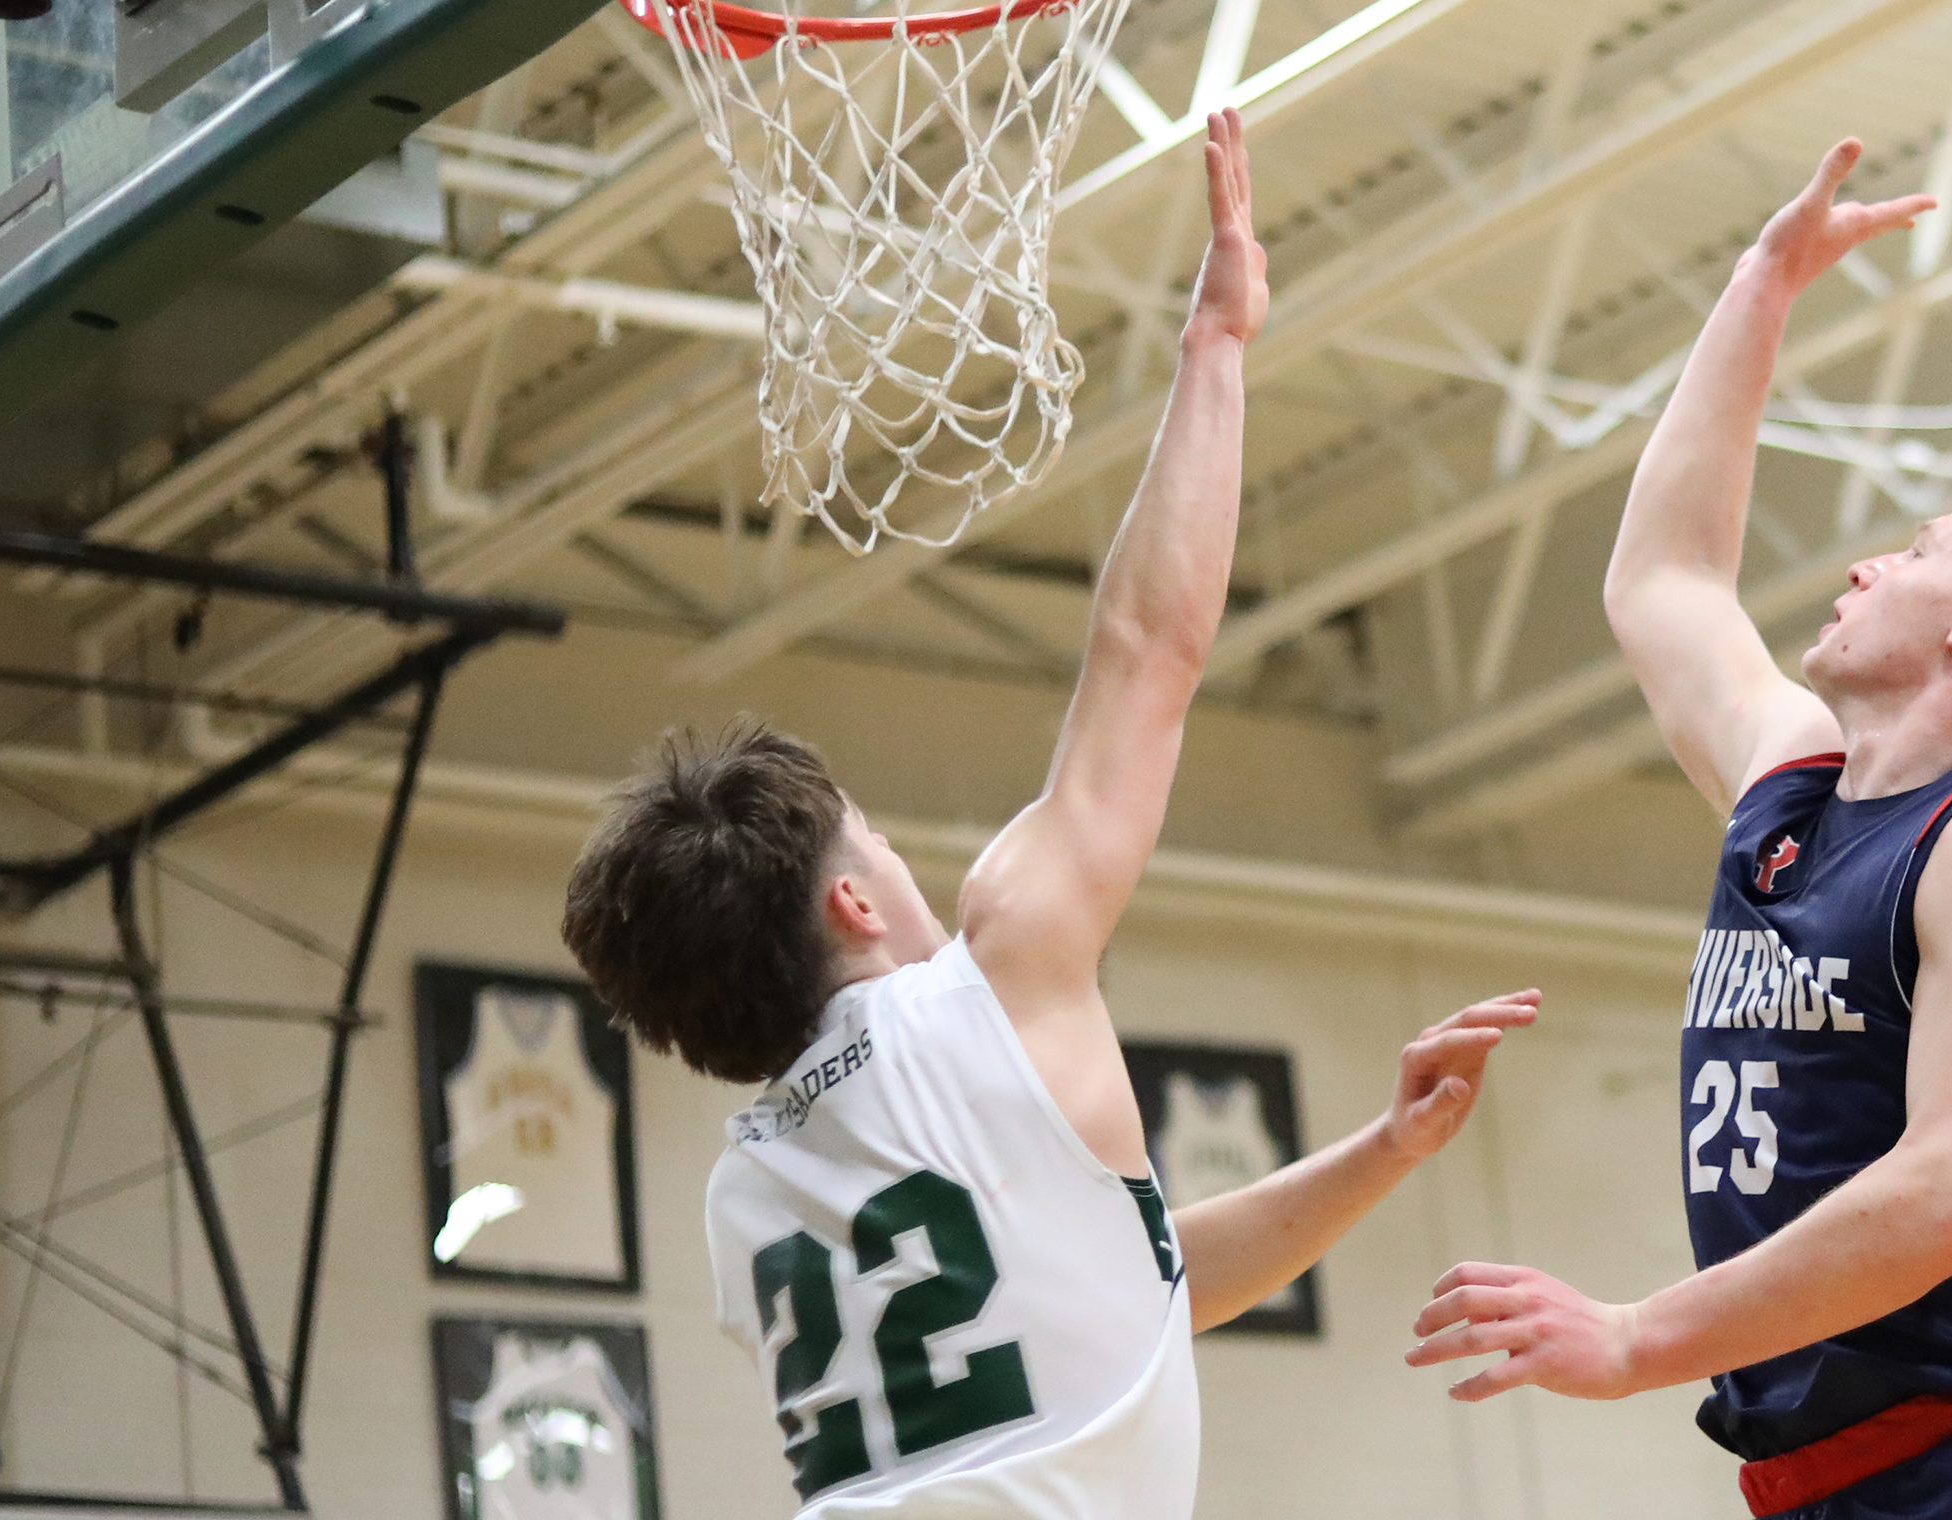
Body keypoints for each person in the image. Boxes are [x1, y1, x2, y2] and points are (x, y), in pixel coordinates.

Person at [561, 109, 1539, 1518]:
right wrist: (1216, 348)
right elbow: (1147, 653)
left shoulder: (747, 1199)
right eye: (875, 839)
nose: (900, 858)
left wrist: (1382, 1152)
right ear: (851, 899)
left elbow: (1132, 1291)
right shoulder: (996, 978)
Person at [1406, 139, 1952, 1520]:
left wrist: (1637, 1337)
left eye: (1918, 551)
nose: (1869, 562)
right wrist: (1760, 290)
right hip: (1818, 1480)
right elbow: (1665, 577)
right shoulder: (1795, 787)